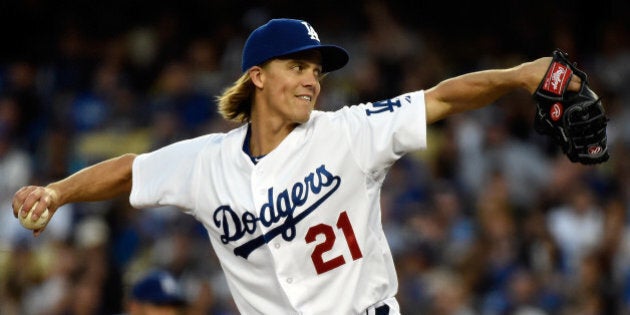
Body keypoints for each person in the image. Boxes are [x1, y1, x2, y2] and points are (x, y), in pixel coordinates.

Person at [12, 18, 583, 314]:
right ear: (258, 76)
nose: (313, 78)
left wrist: (520, 74)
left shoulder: (349, 132)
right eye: (297, 66)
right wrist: (58, 191)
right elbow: (131, 170)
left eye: (317, 69)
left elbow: (442, 97)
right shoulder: (205, 162)